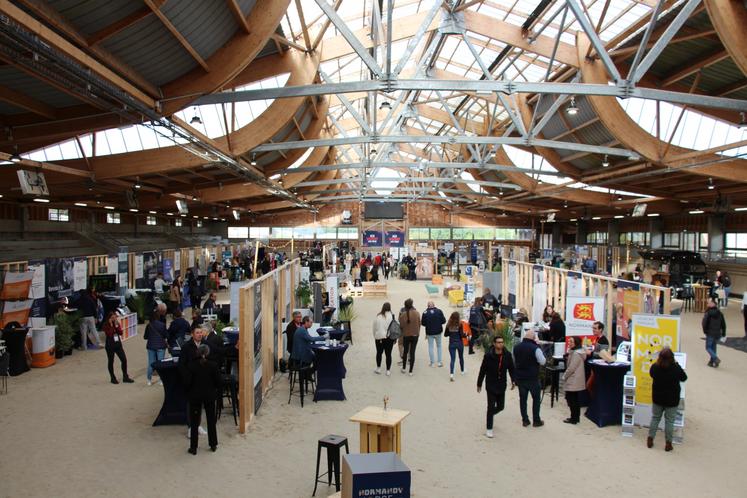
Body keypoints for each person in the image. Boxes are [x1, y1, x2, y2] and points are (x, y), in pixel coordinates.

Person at [647, 347, 687, 452]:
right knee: (669, 421)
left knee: (655, 418)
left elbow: (651, 374)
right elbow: (684, 378)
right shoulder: (676, 368)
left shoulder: (655, 367)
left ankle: (650, 438)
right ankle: (668, 443)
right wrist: (678, 365)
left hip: (657, 398)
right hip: (672, 400)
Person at [477, 335, 515, 438]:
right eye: (498, 342)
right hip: (491, 384)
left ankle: (491, 414)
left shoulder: (507, 355)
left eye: (502, 342)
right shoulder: (488, 356)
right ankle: (489, 428)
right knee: (490, 406)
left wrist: (514, 380)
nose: (501, 344)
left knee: (501, 406)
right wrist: (479, 383)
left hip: (502, 384)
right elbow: (483, 370)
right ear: (494, 344)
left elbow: (511, 368)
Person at [185, 344, 221, 455]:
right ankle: (213, 444)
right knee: (211, 420)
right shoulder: (213, 365)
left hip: (195, 396)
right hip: (209, 396)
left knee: (194, 422)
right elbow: (218, 382)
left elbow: (188, 382)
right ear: (207, 353)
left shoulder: (191, 365)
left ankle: (193, 447)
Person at [513, 329, 546, 427]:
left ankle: (525, 420)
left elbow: (514, 360)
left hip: (520, 377)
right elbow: (543, 361)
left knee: (523, 400)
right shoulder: (535, 348)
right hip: (532, 377)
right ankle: (536, 420)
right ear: (533, 338)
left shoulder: (516, 347)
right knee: (536, 399)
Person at [179, 325, 207, 437]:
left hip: (202, 380)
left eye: (201, 332)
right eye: (197, 333)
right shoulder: (186, 347)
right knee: (190, 404)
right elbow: (181, 364)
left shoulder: (205, 345)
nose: (200, 334)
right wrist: (187, 377)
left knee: (200, 404)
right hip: (190, 380)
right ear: (192, 334)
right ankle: (191, 427)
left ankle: (198, 425)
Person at [102, 311, 133, 384]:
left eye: (115, 317)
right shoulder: (105, 325)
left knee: (124, 360)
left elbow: (120, 332)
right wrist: (111, 325)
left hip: (118, 344)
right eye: (112, 318)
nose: (114, 319)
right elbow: (109, 334)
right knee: (111, 361)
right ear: (109, 318)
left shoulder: (116, 323)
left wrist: (116, 325)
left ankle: (125, 376)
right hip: (110, 345)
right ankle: (112, 378)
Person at [562, 336, 586, 424]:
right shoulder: (576, 352)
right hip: (576, 379)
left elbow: (571, 368)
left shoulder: (576, 354)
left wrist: (564, 376)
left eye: (571, 342)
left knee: (572, 400)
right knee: (574, 399)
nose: (569, 343)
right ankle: (575, 417)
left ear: (576, 343)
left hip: (573, 379)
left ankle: (574, 418)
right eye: (569, 341)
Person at [144, 312, 168, 386]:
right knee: (161, 363)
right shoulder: (162, 325)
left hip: (151, 346)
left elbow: (145, 337)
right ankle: (161, 380)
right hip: (160, 345)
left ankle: (149, 380)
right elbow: (165, 335)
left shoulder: (149, 325)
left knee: (151, 363)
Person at [398, 299, 420, 376]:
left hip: (406, 335)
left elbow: (401, 326)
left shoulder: (403, 314)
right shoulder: (417, 313)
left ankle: (404, 368)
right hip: (415, 335)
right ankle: (411, 371)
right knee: (412, 352)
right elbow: (419, 324)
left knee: (405, 351)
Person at [372, 302, 396, 376]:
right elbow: (394, 328)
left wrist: (375, 336)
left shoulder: (378, 316)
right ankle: (388, 370)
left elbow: (374, 327)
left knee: (379, 353)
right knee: (388, 354)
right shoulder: (392, 316)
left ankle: (378, 368)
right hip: (389, 338)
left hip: (379, 337)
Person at [702, 297, 726, 367]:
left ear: (712, 304)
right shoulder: (720, 313)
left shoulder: (708, 313)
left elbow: (704, 323)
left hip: (710, 332)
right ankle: (712, 362)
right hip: (717, 333)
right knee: (713, 347)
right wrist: (724, 332)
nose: (707, 304)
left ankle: (715, 358)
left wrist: (705, 330)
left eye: (708, 303)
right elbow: (723, 324)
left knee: (708, 347)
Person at [421, 301, 446, 367]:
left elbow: (423, 323)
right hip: (438, 331)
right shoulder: (439, 311)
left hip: (429, 332)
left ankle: (432, 363)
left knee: (430, 347)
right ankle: (439, 362)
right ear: (434, 305)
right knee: (439, 346)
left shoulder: (425, 313)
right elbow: (444, 321)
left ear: (428, 306)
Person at [444, 312, 466, 381]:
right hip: (459, 343)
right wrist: (466, 334)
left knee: (452, 359)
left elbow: (445, 335)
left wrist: (451, 333)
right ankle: (462, 371)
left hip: (452, 344)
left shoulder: (448, 325)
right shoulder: (460, 325)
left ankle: (451, 374)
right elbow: (462, 335)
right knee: (461, 357)